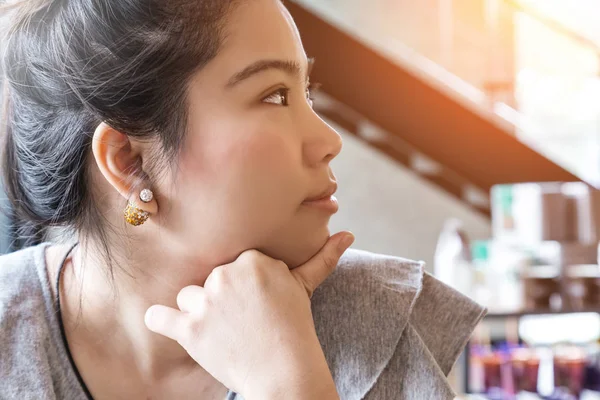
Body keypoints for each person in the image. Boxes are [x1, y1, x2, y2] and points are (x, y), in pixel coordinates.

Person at [0, 0, 486, 399]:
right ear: (130, 161)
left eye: (307, 93)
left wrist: (289, 385)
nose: (329, 140)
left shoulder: (375, 320)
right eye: (275, 95)